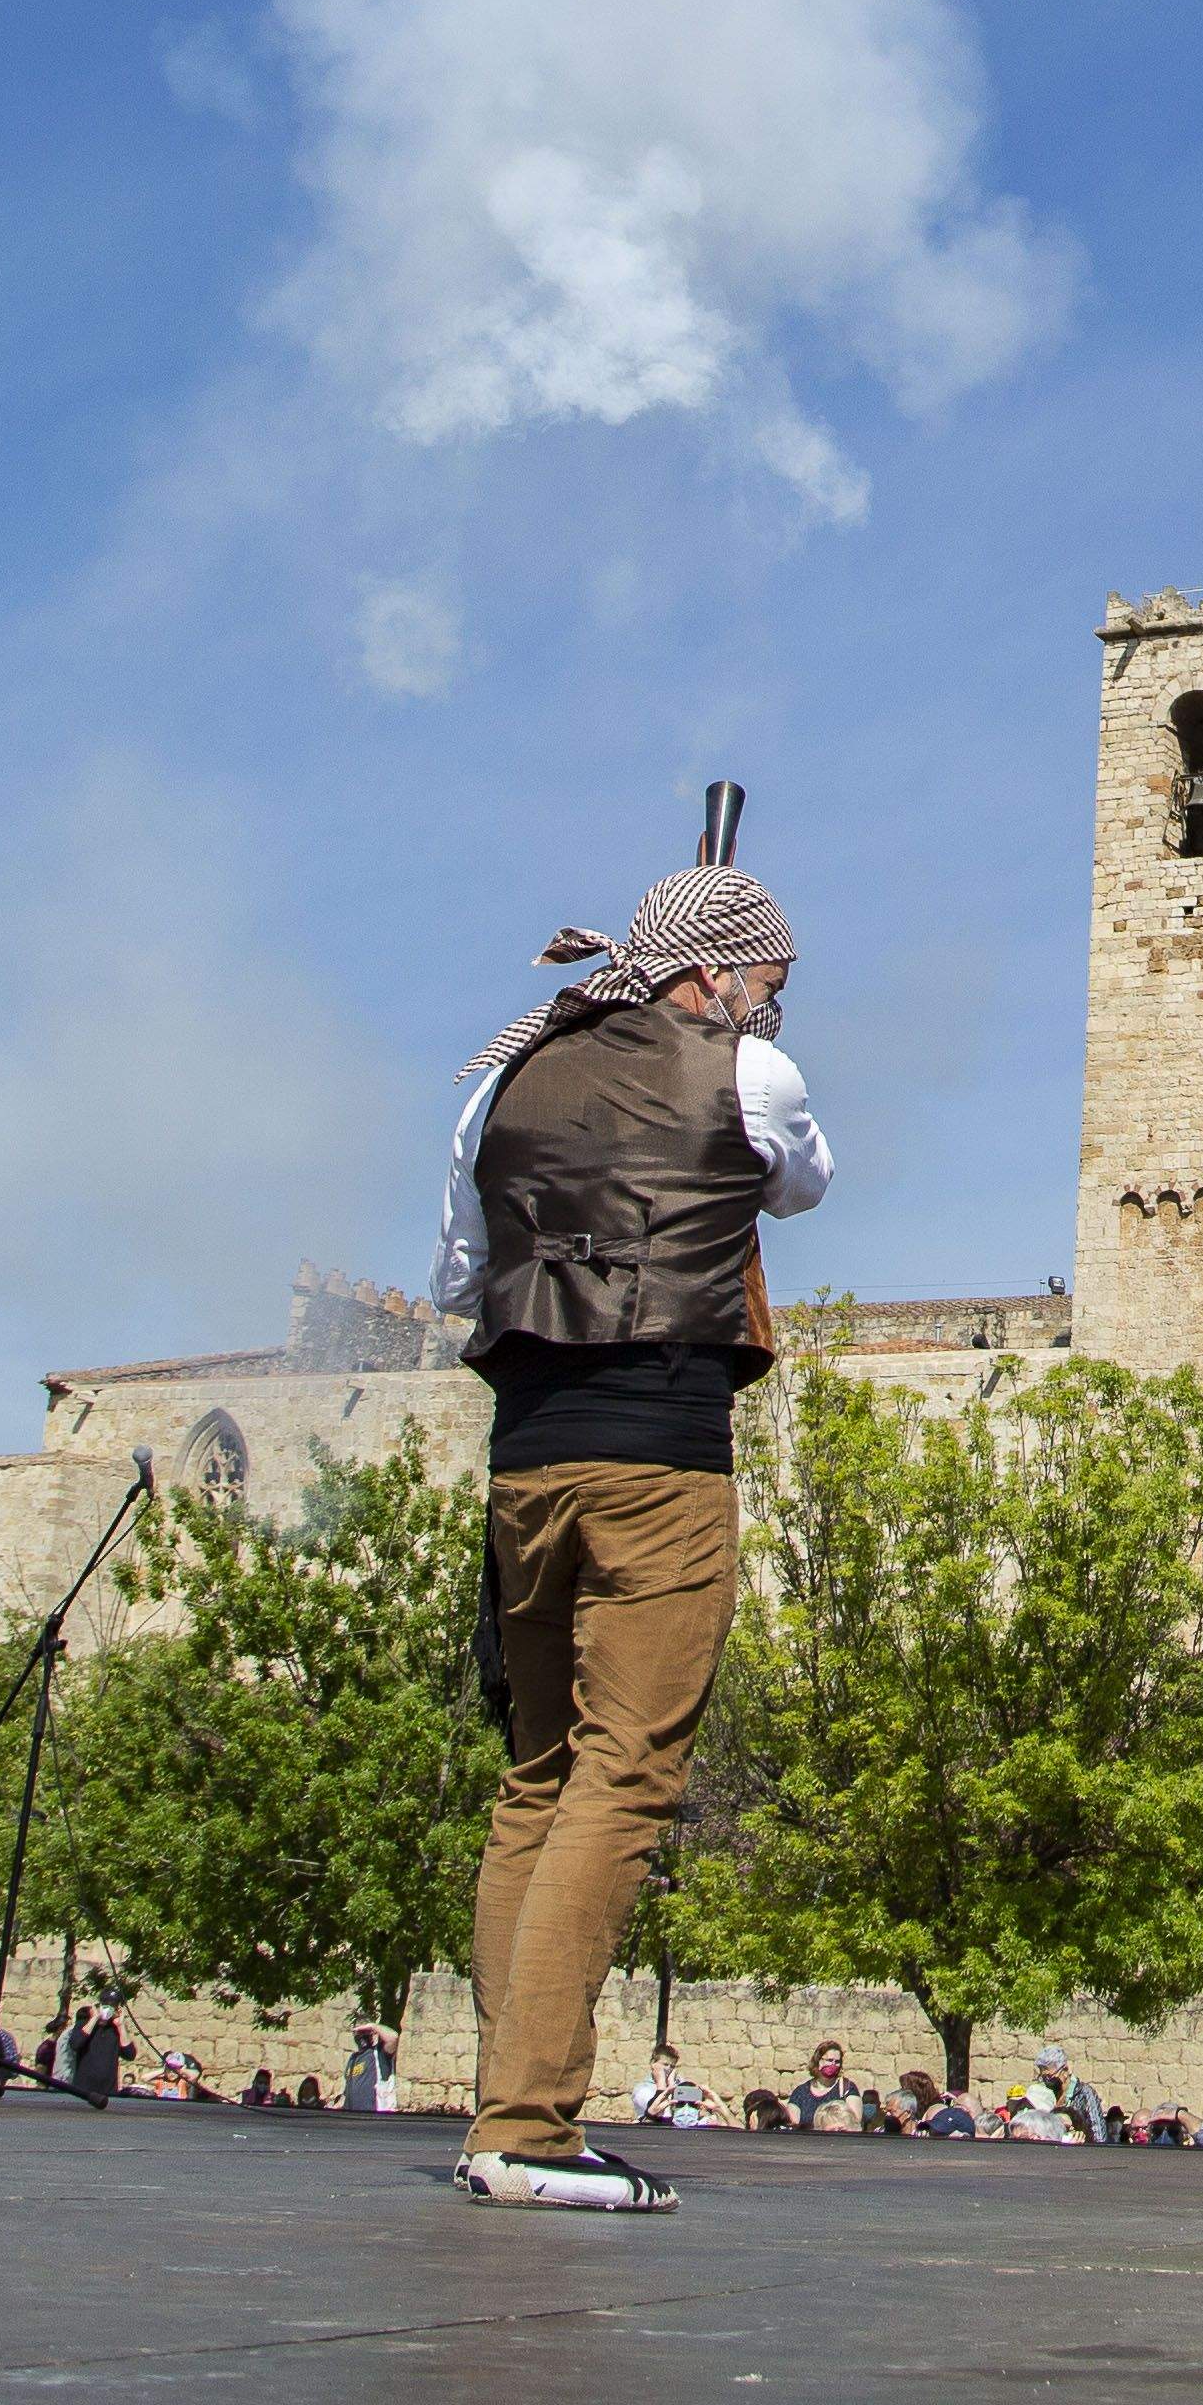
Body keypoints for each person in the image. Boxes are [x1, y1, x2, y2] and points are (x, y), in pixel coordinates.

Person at [434, 861, 840, 2217]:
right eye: (767, 988)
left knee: (537, 1778)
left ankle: (505, 2101)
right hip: (659, 1454)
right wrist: (734, 1070)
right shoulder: (750, 1078)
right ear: (711, 975)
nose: (773, 1013)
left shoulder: (504, 1081)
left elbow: (460, 1272)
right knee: (625, 1778)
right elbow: (804, 1189)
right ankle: (529, 2127)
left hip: (524, 1460)